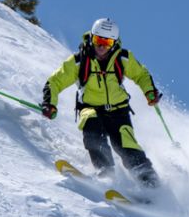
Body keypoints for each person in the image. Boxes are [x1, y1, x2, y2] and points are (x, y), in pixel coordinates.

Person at [40, 18, 162, 188]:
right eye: (98, 40)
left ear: (114, 43)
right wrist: (49, 104)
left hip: (118, 111)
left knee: (126, 145)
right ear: (92, 37)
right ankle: (106, 174)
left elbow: (141, 75)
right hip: (90, 108)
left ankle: (150, 183)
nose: (102, 46)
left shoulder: (123, 58)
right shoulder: (79, 61)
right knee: (92, 131)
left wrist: (150, 92)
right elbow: (54, 82)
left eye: (107, 42)